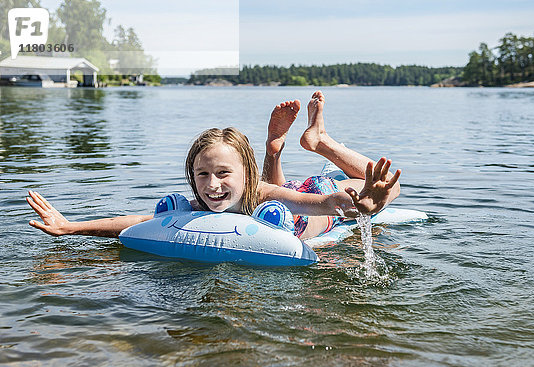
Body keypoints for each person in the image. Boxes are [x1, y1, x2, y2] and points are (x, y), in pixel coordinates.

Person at [27, 91, 401, 240]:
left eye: (223, 174)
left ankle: (319, 141)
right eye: (202, 174)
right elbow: (139, 222)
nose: (212, 185)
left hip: (309, 199)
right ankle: (274, 151)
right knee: (281, 199)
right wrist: (71, 227)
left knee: (391, 185)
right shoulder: (199, 204)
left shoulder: (259, 191)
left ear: (244, 175)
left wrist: (359, 204)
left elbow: (322, 204)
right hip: (283, 201)